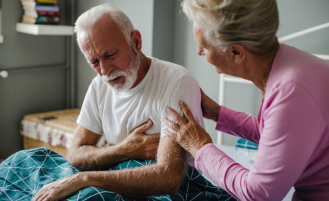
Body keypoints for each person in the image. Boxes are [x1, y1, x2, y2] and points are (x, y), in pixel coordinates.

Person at [32, 3, 205, 200]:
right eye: (94, 62)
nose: (105, 71)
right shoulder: (99, 86)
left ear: (136, 42)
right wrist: (124, 150)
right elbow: (75, 154)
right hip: (115, 177)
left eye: (110, 55)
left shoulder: (176, 82)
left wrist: (85, 179)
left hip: (162, 190)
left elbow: (169, 178)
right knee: (26, 160)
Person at [164, 0, 329, 200]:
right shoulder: (288, 62)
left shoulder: (291, 92)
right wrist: (217, 113)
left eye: (204, 46)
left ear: (235, 53)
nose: (199, 52)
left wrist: (200, 148)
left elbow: (258, 194)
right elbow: (274, 134)